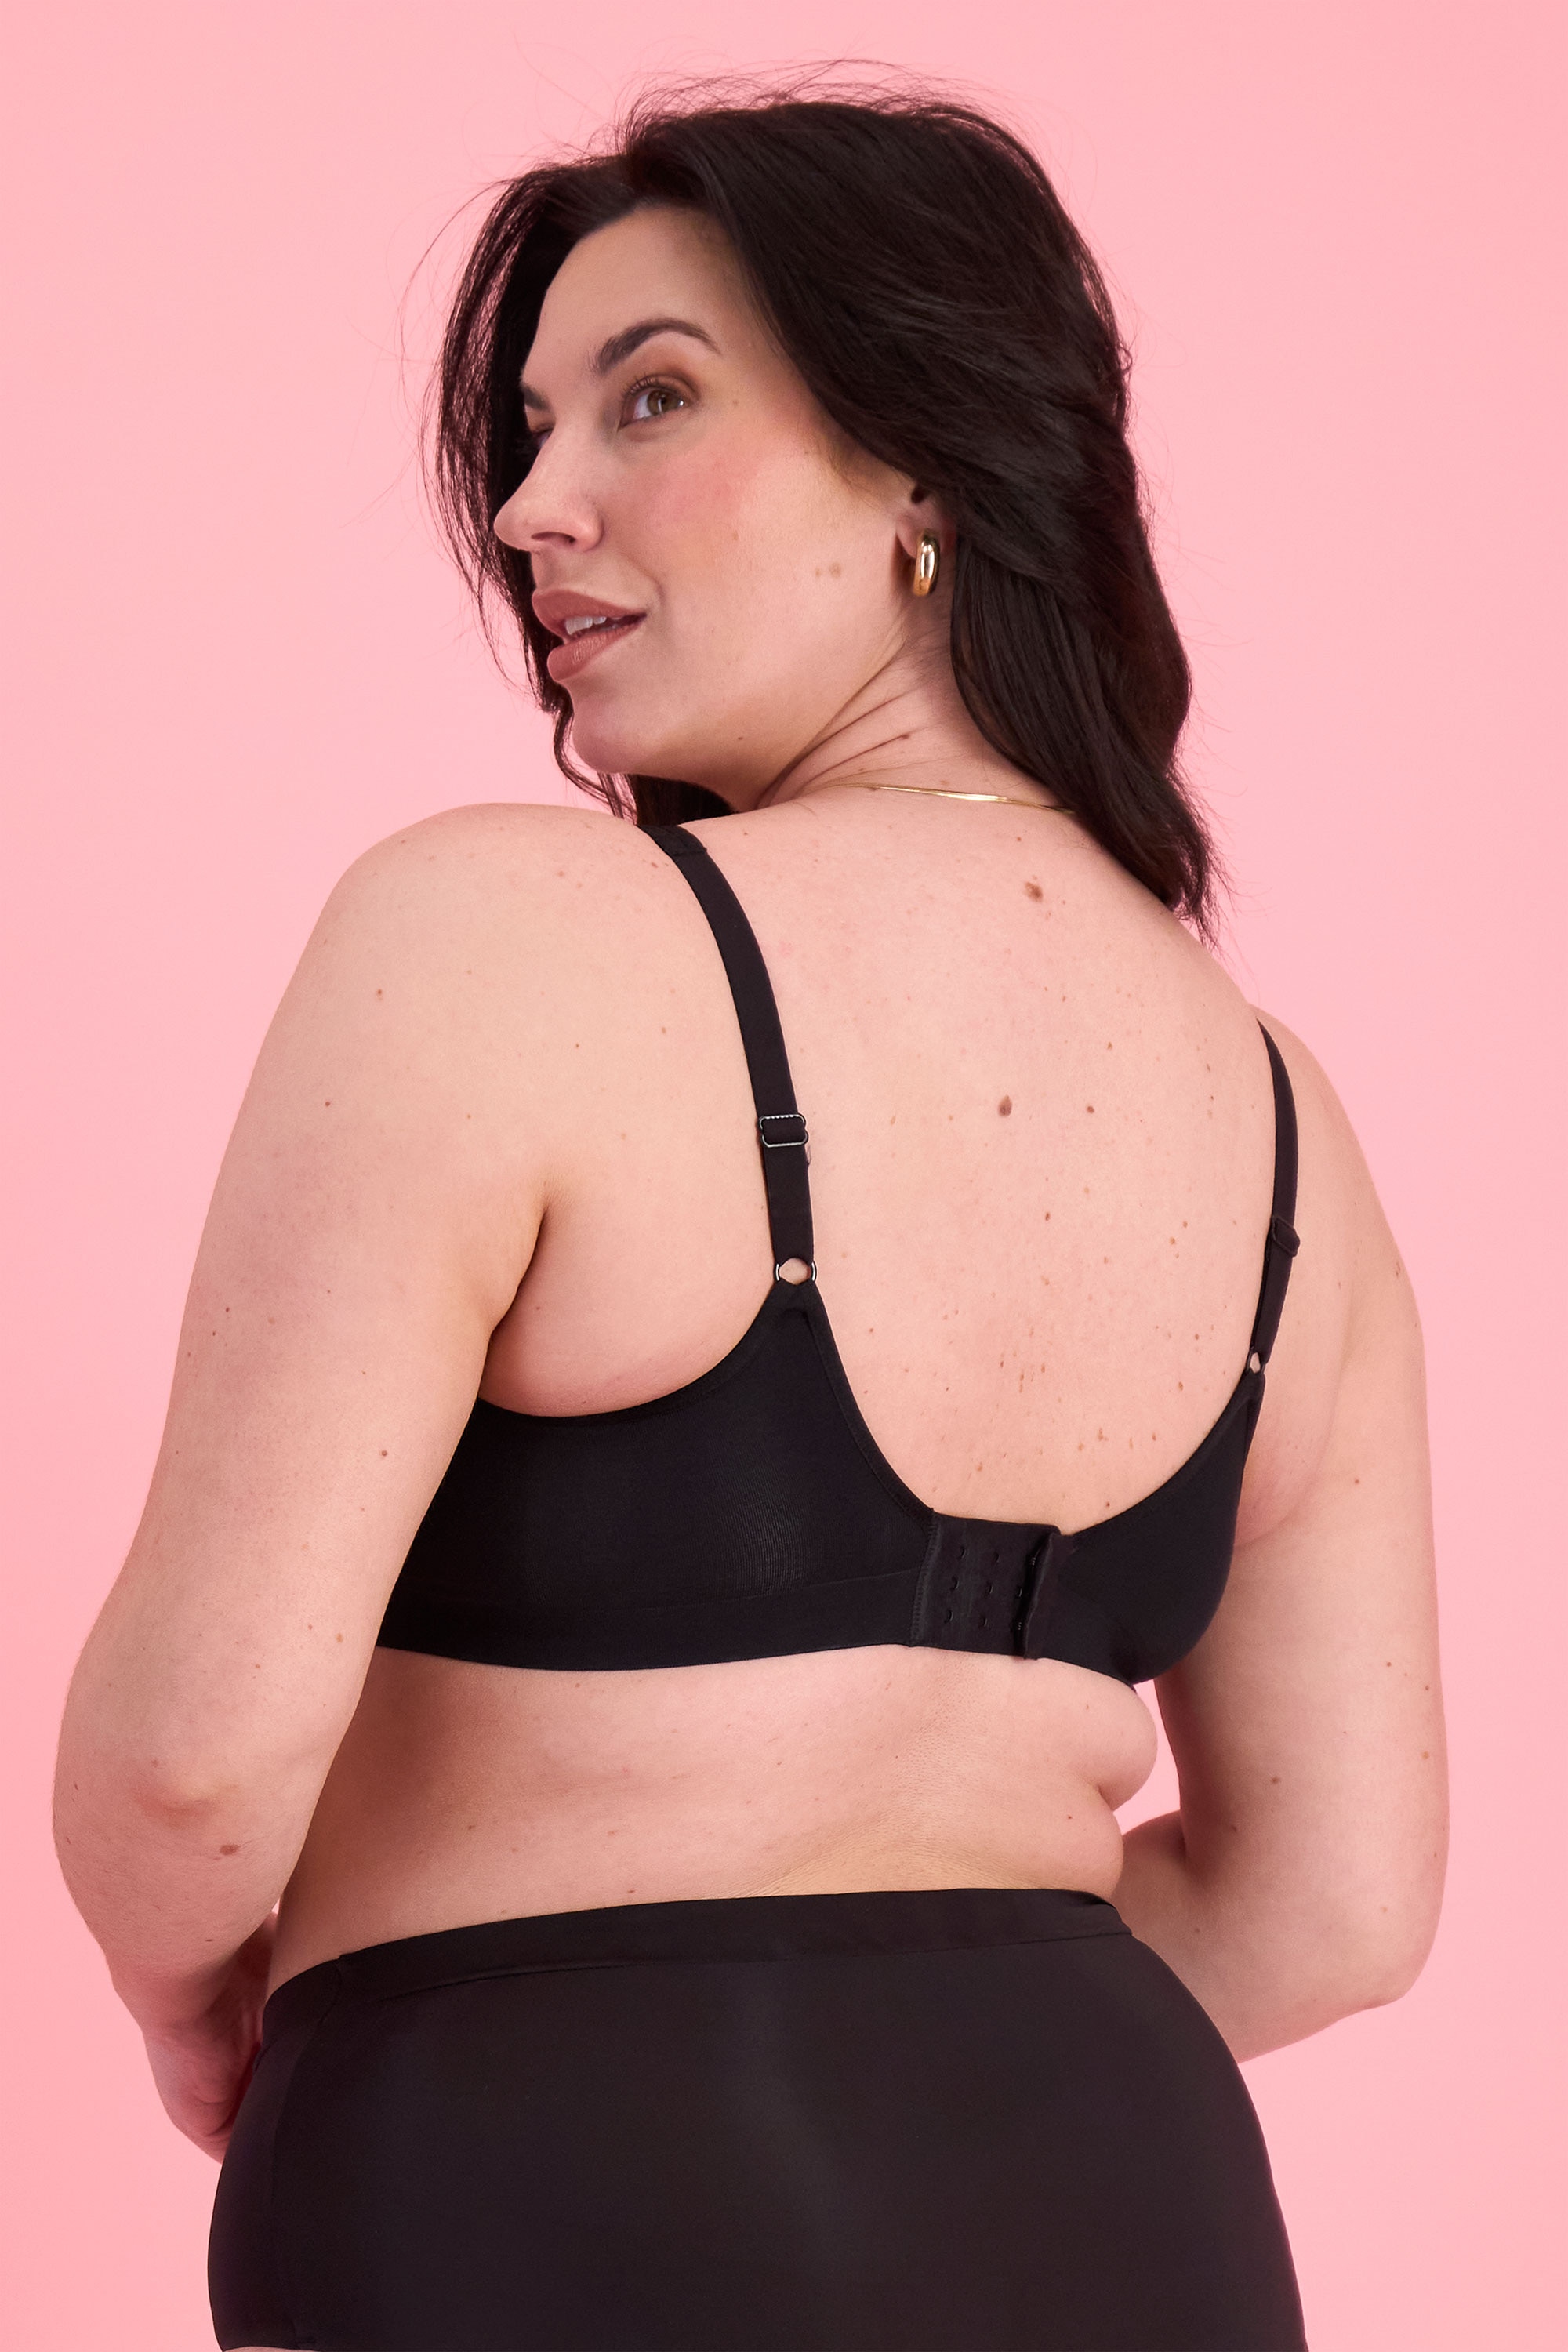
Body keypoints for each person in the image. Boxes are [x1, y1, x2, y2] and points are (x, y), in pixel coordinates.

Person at [53, 85, 1445, 2352]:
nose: (533, 507)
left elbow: (191, 1766)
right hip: (1133, 2220)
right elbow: (1338, 1904)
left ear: (927, 472)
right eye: (530, 432)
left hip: (529, 2186)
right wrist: (933, 2056)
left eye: (654, 398)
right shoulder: (1290, 1125)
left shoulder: (507, 943)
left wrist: (196, 2001)